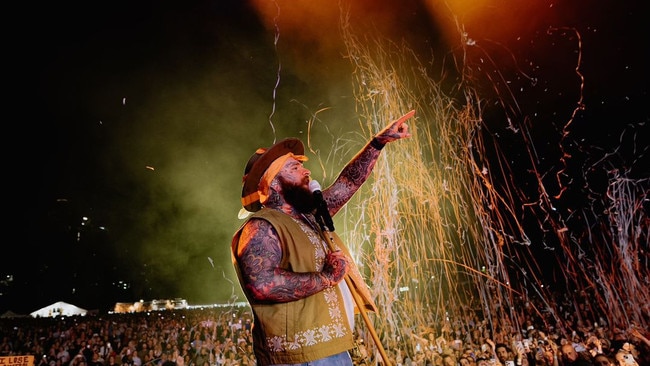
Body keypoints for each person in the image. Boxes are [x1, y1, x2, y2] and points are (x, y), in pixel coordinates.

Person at [231, 110, 415, 365]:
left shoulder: (308, 215)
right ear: (273, 183)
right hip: (301, 356)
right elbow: (262, 285)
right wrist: (326, 277)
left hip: (330, 348)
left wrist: (377, 142)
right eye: (295, 167)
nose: (306, 171)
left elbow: (348, 183)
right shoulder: (261, 227)